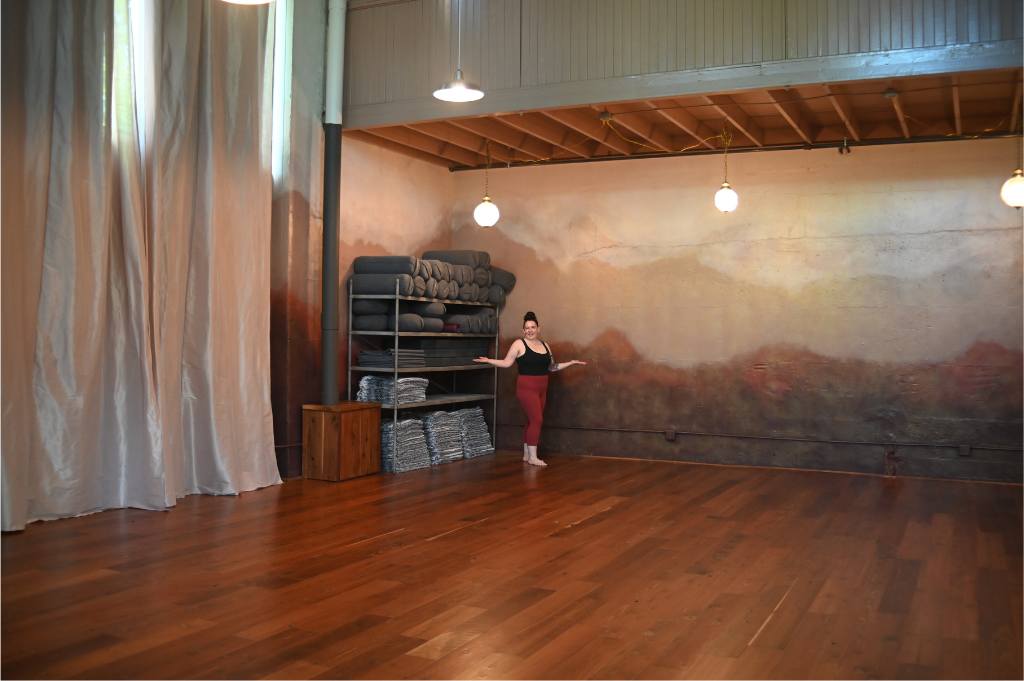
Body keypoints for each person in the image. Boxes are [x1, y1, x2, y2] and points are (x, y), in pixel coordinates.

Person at [474, 311, 586, 466]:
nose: (530, 330)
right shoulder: (519, 344)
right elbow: (507, 363)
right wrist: (489, 360)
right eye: (527, 328)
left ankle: (527, 454)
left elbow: (552, 367)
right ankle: (534, 457)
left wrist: (571, 362)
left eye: (533, 327)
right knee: (537, 420)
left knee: (531, 420)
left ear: (538, 328)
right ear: (523, 330)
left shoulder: (545, 345)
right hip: (526, 387)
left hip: (542, 388)